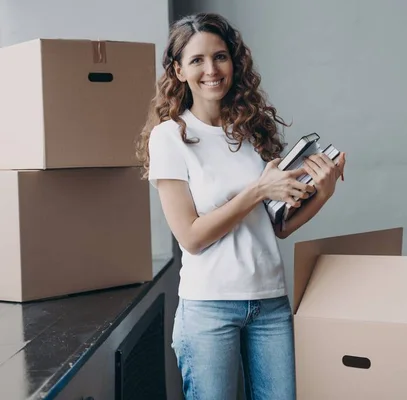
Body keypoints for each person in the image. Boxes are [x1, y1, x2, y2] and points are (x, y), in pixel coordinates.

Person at [135, 12, 346, 400]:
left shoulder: (250, 130)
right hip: (208, 308)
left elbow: (276, 226)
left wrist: (322, 193)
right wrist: (258, 189)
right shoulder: (170, 138)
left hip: (270, 303)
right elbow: (192, 237)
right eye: (196, 60)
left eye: (220, 56)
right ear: (178, 71)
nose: (211, 69)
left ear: (234, 63)